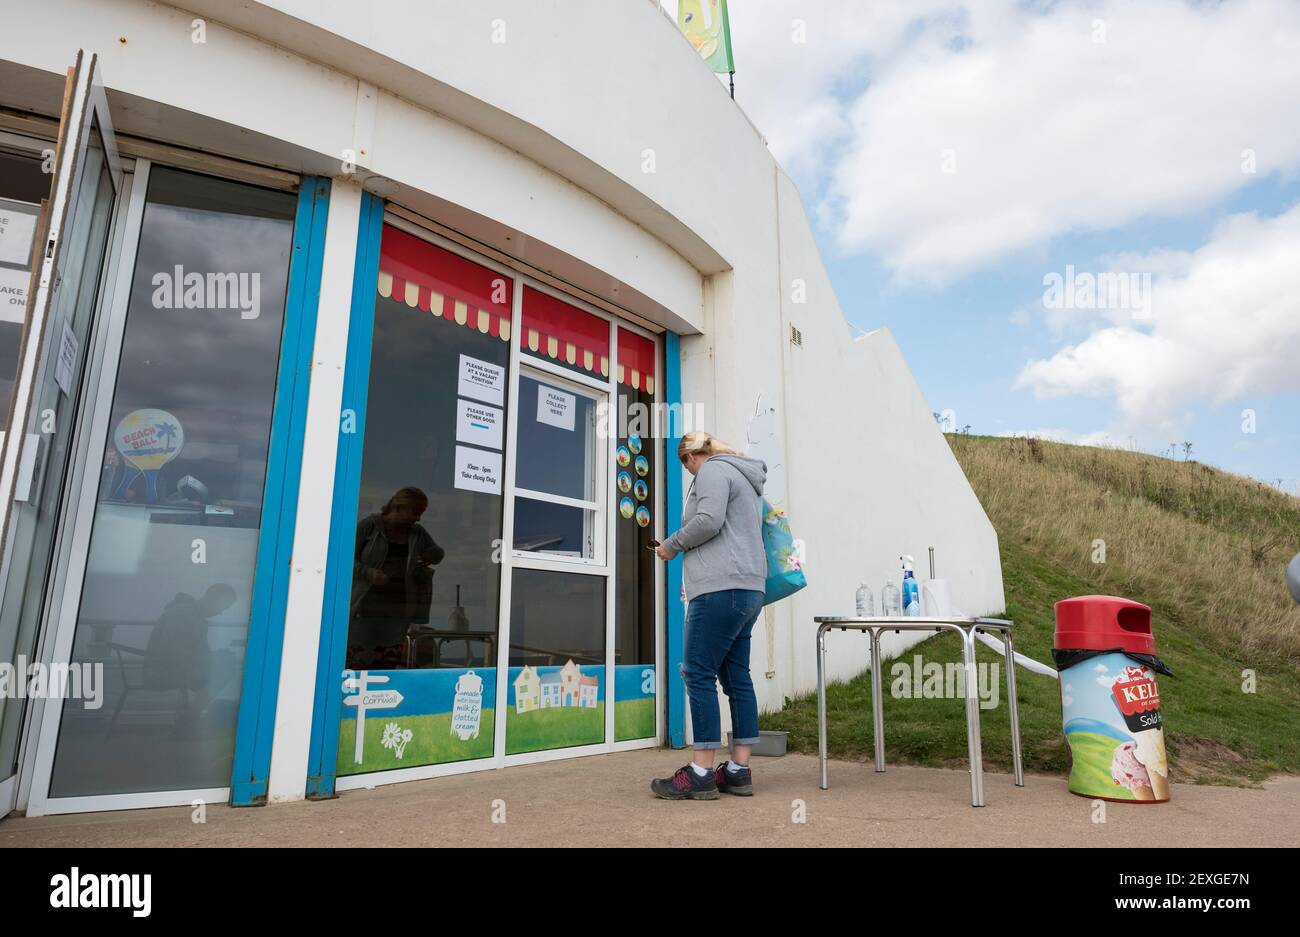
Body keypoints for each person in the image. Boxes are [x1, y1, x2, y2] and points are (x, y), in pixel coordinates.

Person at [650, 431, 767, 801]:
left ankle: (700, 771)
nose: (687, 471)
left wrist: (671, 545)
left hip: (719, 589)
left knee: (697, 672)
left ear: (692, 456)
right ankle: (737, 771)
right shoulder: (745, 476)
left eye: (686, 463)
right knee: (737, 678)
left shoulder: (713, 471)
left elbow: (709, 521)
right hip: (748, 589)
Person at [349, 486, 445, 668]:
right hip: (363, 611)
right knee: (358, 665)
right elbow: (345, 560)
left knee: (387, 667)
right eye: (415, 512)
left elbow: (438, 554)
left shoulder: (418, 532)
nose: (418, 518)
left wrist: (430, 555)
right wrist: (369, 573)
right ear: (399, 507)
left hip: (399, 612)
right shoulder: (369, 527)